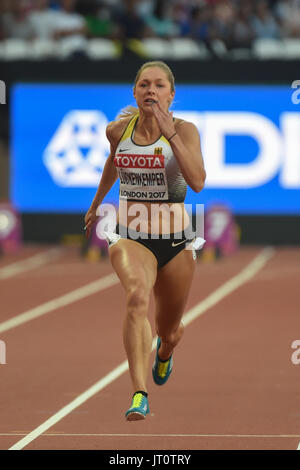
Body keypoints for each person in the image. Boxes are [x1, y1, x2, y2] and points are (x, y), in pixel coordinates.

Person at [84, 61, 206, 421]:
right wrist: (95, 204)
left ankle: (165, 352)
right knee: (136, 296)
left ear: (171, 94)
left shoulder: (186, 130)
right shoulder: (117, 130)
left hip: (176, 241)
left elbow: (197, 181)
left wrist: (170, 135)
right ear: (134, 93)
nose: (150, 90)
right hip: (130, 234)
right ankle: (139, 393)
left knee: (169, 329)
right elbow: (112, 164)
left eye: (158, 86)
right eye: (143, 85)